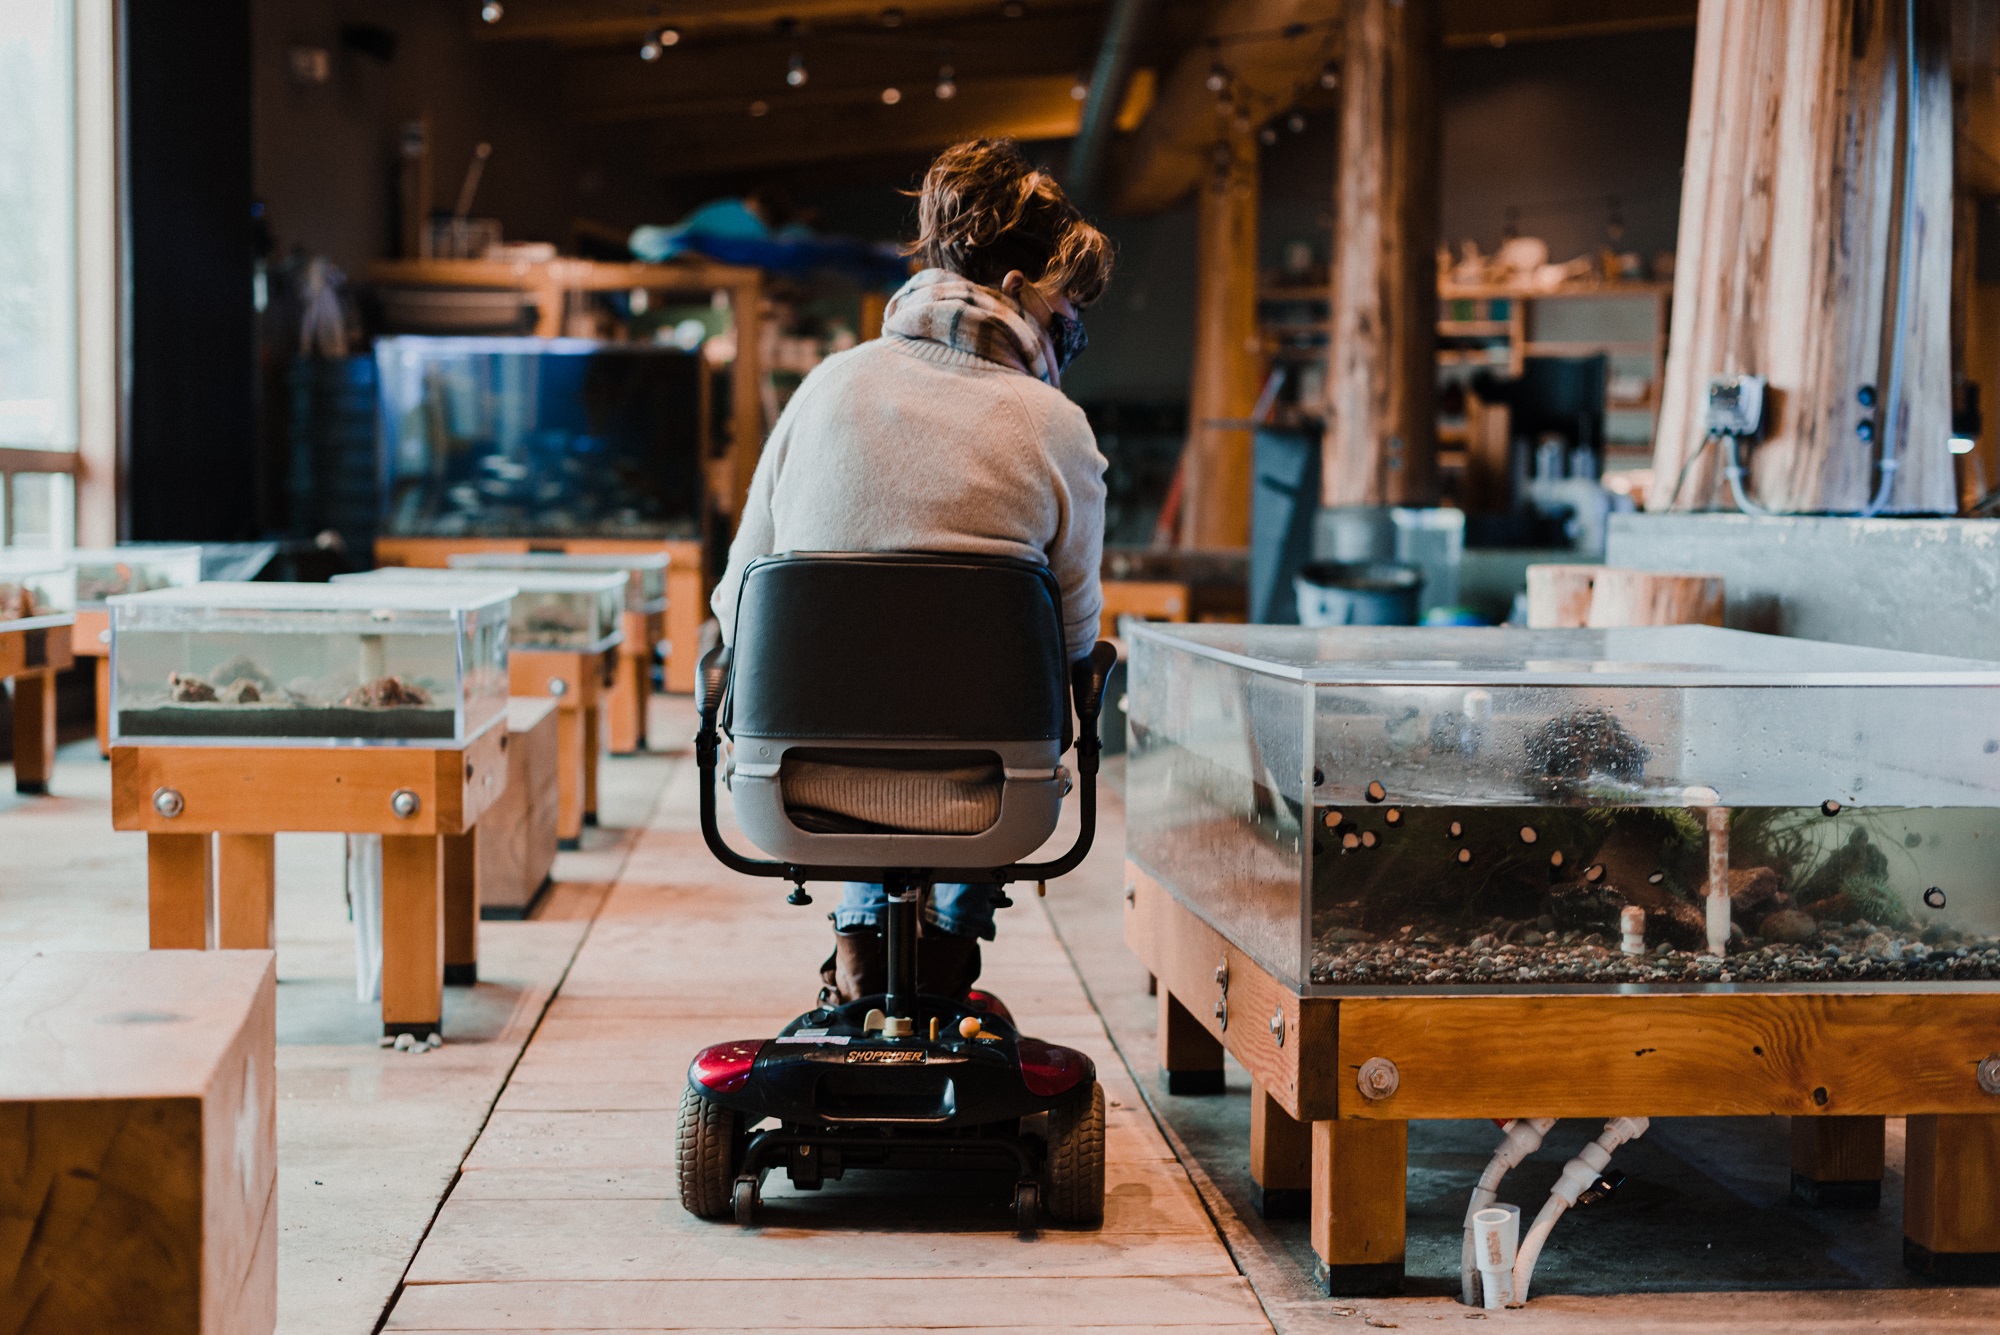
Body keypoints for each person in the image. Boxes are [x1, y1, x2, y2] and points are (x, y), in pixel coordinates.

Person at [709, 138, 1113, 1004]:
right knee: (1005, 690)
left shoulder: (824, 389)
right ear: (1017, 290)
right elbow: (1074, 643)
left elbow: (736, 601)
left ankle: (859, 941)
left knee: (854, 680)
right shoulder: (1055, 426)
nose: (1071, 326)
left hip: (798, 786)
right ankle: (947, 949)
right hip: (991, 798)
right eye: (1066, 305)